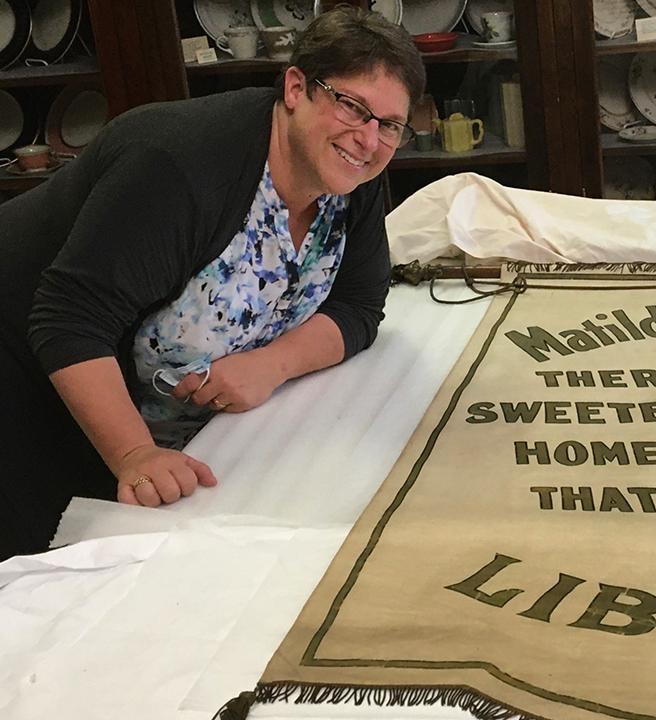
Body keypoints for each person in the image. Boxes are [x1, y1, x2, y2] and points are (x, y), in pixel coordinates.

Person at [0, 7, 426, 560]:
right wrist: (135, 454)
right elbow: (68, 320)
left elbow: (360, 305)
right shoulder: (179, 166)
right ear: (296, 87)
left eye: (389, 125)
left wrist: (270, 365)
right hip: (29, 381)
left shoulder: (350, 179)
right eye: (352, 105)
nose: (368, 139)